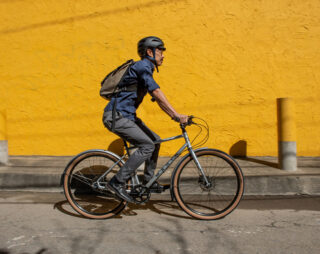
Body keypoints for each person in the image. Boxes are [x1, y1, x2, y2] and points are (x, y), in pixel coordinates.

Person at [103, 36, 188, 203]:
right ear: (149, 52)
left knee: (154, 140)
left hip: (126, 116)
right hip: (117, 117)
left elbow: (156, 96)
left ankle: (148, 181)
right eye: (160, 51)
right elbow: (156, 93)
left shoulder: (145, 67)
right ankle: (117, 182)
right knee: (147, 145)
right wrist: (175, 115)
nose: (163, 55)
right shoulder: (143, 66)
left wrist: (173, 114)